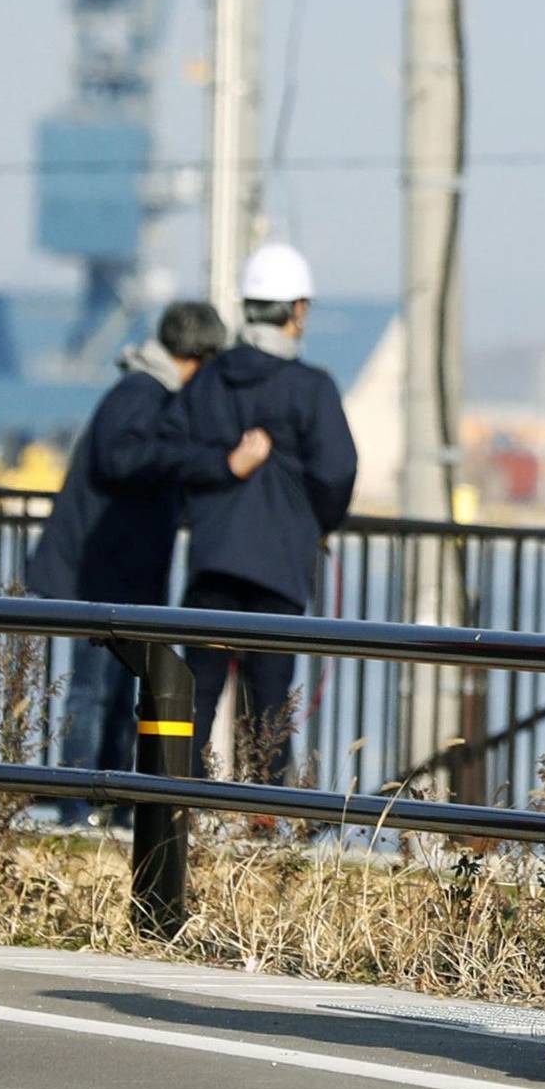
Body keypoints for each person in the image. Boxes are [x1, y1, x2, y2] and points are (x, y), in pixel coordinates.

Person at [26, 301, 270, 819]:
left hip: (116, 570)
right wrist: (217, 464)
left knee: (112, 695)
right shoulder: (142, 392)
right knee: (95, 693)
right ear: (197, 358)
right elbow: (125, 459)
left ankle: (102, 806)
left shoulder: (145, 391)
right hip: (104, 573)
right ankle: (80, 808)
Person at [169, 244, 357, 786]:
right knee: (270, 703)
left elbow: (177, 457)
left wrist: (222, 476)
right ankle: (270, 817)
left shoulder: (206, 382)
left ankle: (175, 805)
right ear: (297, 311)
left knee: (196, 696)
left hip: (213, 561)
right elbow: (337, 472)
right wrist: (312, 523)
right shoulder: (311, 388)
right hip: (279, 566)